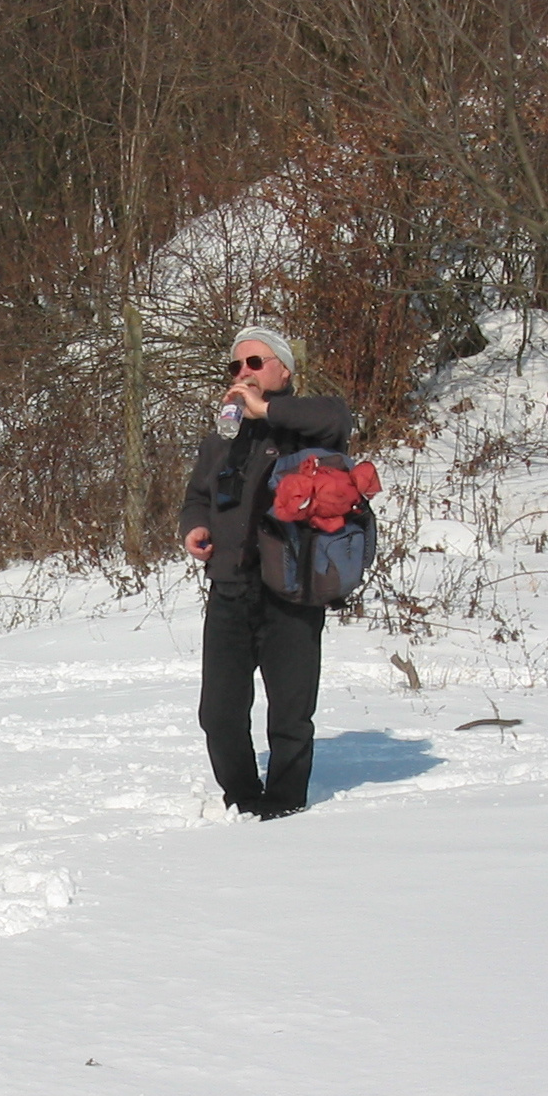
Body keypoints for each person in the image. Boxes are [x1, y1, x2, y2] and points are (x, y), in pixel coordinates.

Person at [179, 326, 351, 820]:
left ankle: (286, 806)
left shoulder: (305, 423)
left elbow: (338, 417)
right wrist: (194, 527)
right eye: (235, 367)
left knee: (291, 713)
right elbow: (198, 496)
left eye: (255, 363)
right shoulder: (223, 436)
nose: (243, 374)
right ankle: (243, 800)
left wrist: (265, 410)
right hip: (230, 589)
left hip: (292, 592)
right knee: (219, 714)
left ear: (283, 370)